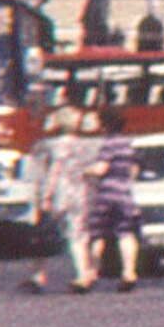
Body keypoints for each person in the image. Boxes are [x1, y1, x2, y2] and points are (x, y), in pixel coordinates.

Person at [28, 105, 98, 292]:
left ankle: (38, 274)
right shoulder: (84, 145)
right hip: (81, 191)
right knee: (78, 235)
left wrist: (46, 196)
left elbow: (54, 171)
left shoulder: (54, 146)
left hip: (61, 192)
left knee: (44, 234)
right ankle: (83, 273)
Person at [85, 104, 143, 292]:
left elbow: (101, 168)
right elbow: (134, 170)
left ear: (105, 124)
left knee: (98, 235)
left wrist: (87, 171)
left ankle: (92, 272)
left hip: (107, 194)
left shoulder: (108, 145)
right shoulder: (128, 144)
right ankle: (129, 273)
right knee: (126, 234)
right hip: (125, 193)